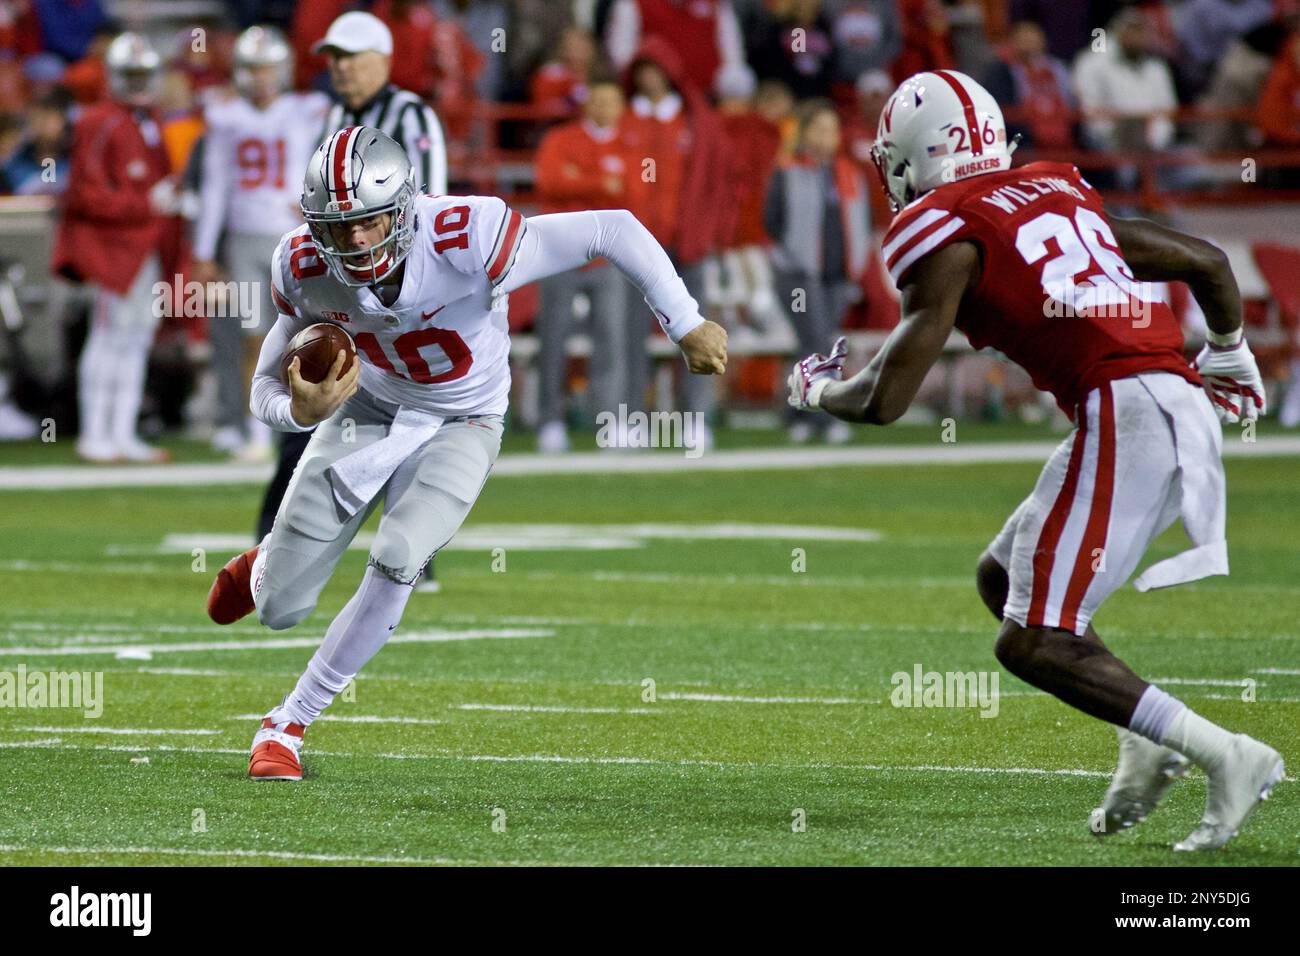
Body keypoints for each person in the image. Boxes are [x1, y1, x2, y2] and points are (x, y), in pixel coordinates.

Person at [788, 70, 1283, 851]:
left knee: (1032, 639)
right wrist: (1229, 351)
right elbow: (1207, 260)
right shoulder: (1053, 189)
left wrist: (817, 392)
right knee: (1002, 580)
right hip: (1157, 400)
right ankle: (1143, 737)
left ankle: (1226, 754)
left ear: (923, 152)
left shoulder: (947, 228)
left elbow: (885, 399)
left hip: (1130, 410)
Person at [205, 127, 727, 780]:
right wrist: (296, 413)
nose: (358, 242)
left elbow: (613, 228)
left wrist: (685, 322)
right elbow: (261, 387)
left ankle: (287, 724)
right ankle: (267, 568)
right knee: (281, 610)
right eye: (340, 229)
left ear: (403, 208)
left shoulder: (467, 235)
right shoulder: (303, 266)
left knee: (400, 555)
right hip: (369, 411)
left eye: (370, 222)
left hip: (464, 418)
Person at [256, 9, 448, 588]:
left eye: (350, 58)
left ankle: (411, 550)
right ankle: (275, 537)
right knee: (309, 385)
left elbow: (429, 202)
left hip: (398, 288)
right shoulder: (335, 115)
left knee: (408, 414)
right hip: (340, 281)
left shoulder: (412, 114)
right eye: (332, 59)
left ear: (383, 62)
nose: (338, 69)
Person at [193, 25, 330, 462]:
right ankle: (256, 428)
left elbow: (326, 164)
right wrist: (202, 251)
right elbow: (214, 187)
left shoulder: (309, 109)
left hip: (294, 235)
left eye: (266, 67)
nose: (260, 77)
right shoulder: (224, 116)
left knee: (308, 333)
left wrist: (318, 208)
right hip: (246, 235)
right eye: (252, 68)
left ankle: (310, 421)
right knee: (254, 338)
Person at [53, 32, 187, 463]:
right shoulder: (99, 120)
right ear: (113, 76)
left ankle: (122, 432)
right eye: (128, 75)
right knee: (109, 335)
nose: (136, 84)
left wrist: (166, 199)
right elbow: (83, 195)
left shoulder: (145, 120)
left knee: (136, 337)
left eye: (142, 74)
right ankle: (95, 432)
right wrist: (143, 203)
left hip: (141, 244)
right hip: (112, 247)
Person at [533, 76, 641, 452]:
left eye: (611, 101)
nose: (603, 108)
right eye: (597, 100)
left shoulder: (631, 144)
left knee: (612, 339)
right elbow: (549, 181)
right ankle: (550, 420)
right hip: (560, 254)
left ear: (621, 108)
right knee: (554, 337)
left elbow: (632, 193)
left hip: (607, 256)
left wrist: (581, 181)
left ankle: (609, 421)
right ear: (586, 104)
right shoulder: (561, 139)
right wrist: (601, 183)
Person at [766, 99, 868, 444]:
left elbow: (859, 222)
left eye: (832, 129)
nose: (828, 137)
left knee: (813, 346)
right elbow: (773, 221)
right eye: (820, 129)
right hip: (798, 276)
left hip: (836, 276)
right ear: (805, 133)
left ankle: (796, 415)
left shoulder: (848, 173)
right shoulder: (788, 169)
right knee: (818, 345)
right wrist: (797, 255)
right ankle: (826, 419)